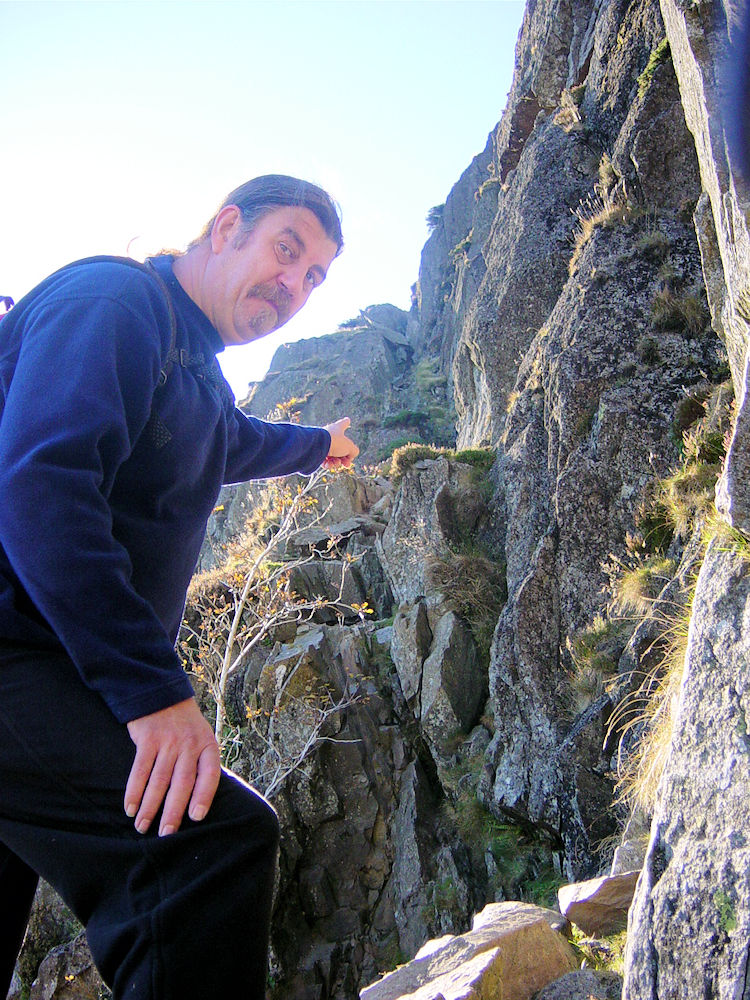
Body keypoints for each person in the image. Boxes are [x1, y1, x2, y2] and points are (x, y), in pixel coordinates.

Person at [0, 174, 359, 1000]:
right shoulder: (115, 302)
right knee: (206, 846)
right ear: (226, 226)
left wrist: (317, 445)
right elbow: (42, 485)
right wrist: (153, 694)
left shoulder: (192, 369)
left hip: (48, 682)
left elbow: (232, 441)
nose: (293, 285)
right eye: (286, 249)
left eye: (314, 278)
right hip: (17, 655)